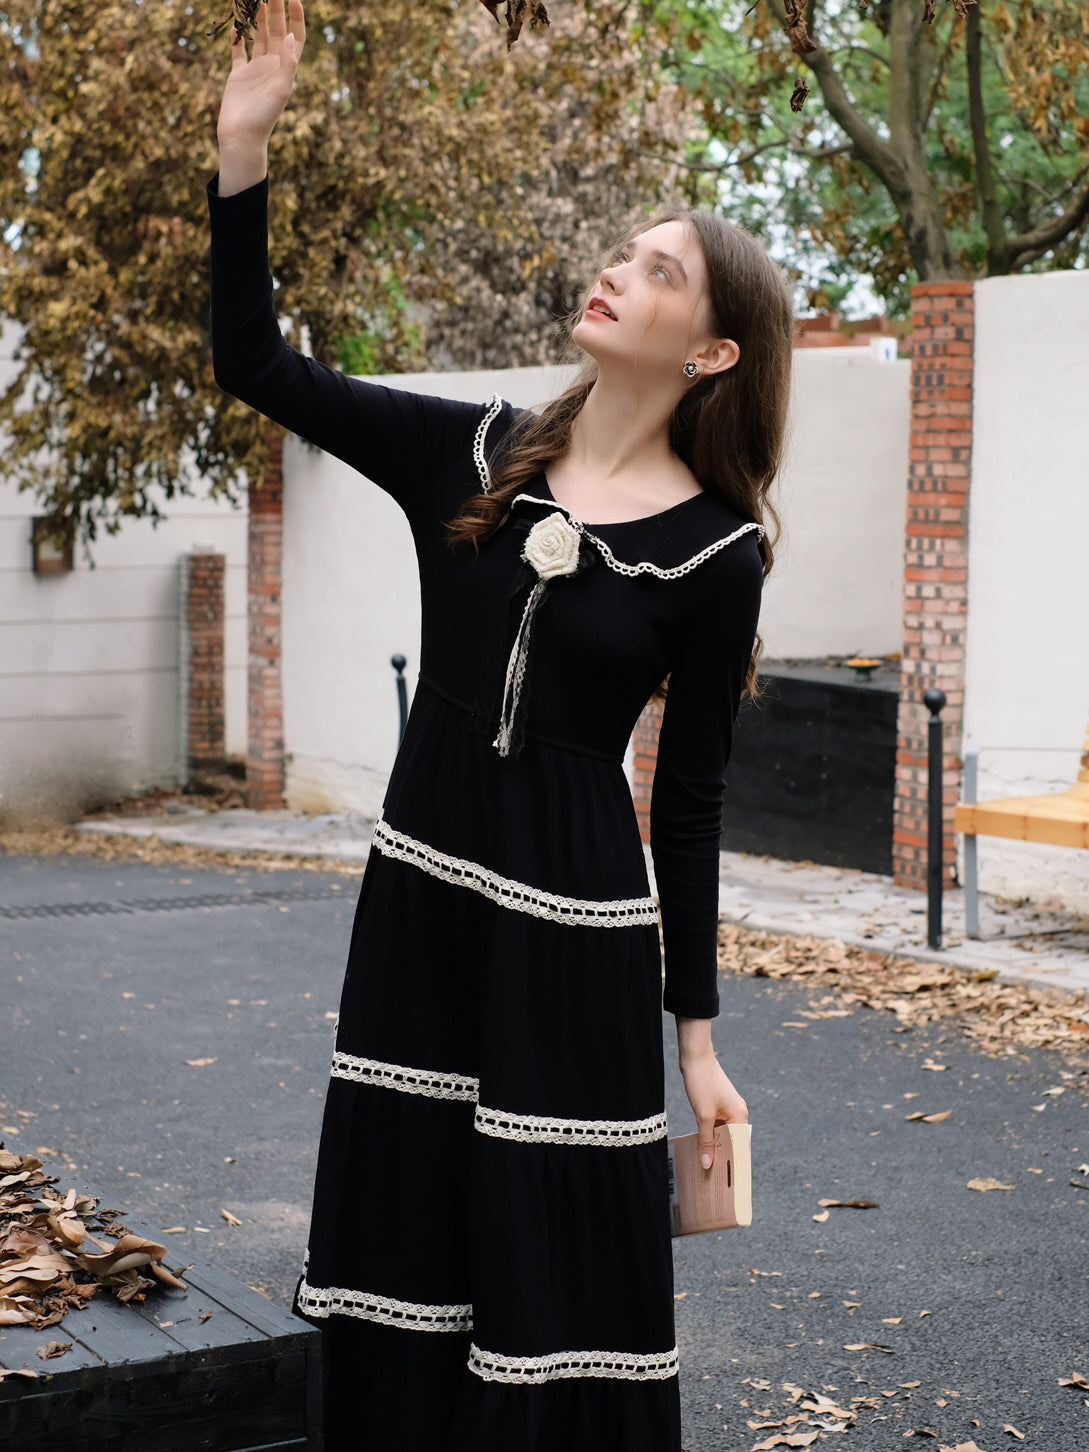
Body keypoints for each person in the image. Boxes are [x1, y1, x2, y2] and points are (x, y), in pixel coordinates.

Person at [209, 3, 793, 1446]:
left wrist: (697, 1040)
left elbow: (695, 800)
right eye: (625, 250)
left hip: (576, 933)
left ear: (712, 351)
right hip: (424, 903)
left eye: (658, 268)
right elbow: (259, 370)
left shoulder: (720, 555)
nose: (618, 269)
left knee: (546, 1252)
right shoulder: (467, 449)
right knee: (406, 1228)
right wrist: (245, 145)